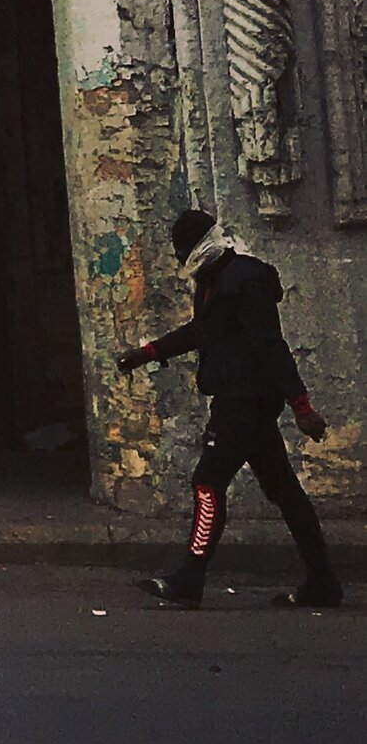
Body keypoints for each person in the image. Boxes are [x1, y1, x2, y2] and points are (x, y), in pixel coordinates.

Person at [115, 207, 340, 610]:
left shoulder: (241, 283)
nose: (180, 257)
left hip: (244, 403)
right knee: (286, 493)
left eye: (181, 249)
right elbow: (202, 331)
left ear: (195, 246)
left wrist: (301, 406)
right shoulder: (216, 279)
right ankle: (323, 581)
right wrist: (149, 352)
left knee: (207, 484)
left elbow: (271, 346)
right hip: (242, 401)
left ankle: (190, 577)